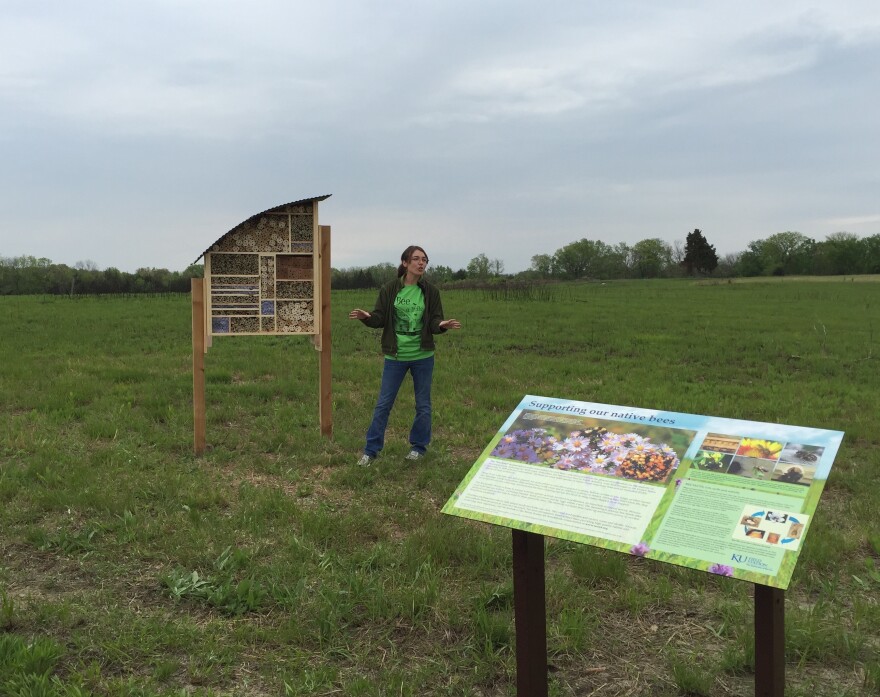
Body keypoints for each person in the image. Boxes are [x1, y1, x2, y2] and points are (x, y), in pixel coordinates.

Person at [349, 245, 461, 466]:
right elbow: (379, 318)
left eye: (425, 260)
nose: (422, 263)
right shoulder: (390, 289)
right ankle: (371, 451)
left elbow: (434, 320)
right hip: (396, 357)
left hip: (423, 356)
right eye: (417, 259)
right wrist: (366, 317)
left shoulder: (431, 292)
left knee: (423, 404)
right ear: (405, 263)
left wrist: (442, 324)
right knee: (383, 403)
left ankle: (418, 447)